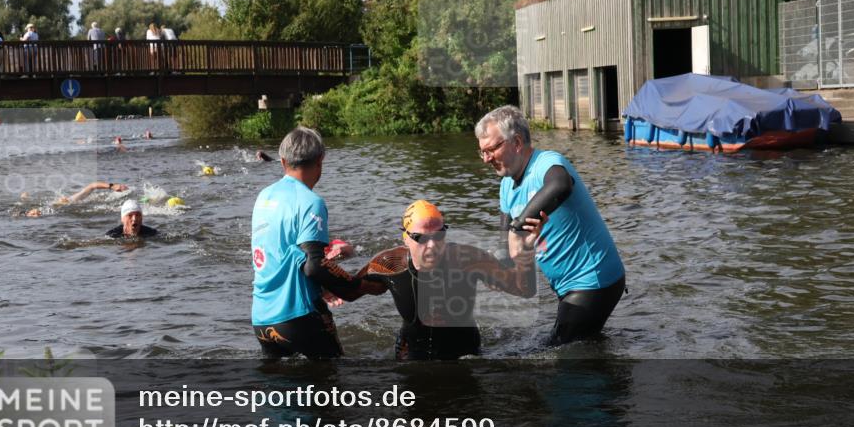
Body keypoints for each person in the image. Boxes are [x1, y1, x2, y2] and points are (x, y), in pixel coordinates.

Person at [475, 105, 627, 346]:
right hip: (567, 285)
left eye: (491, 149)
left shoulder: (547, 163)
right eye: (482, 152)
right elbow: (506, 248)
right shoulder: (506, 184)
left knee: (559, 352)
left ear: (516, 142)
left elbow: (561, 185)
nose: (486, 159)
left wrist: (518, 227)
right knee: (578, 344)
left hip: (594, 279)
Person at [349, 200, 541, 360]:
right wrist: (324, 273)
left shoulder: (468, 259)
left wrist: (525, 253)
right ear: (405, 238)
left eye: (439, 235)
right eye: (421, 238)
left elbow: (523, 289)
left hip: (464, 355)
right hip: (411, 353)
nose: (432, 245)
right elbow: (349, 291)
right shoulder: (389, 263)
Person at [251, 126, 380, 359]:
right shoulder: (311, 202)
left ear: (282, 161)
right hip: (298, 315)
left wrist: (324, 287)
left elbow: (284, 256)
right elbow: (314, 265)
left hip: (261, 319)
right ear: (320, 160)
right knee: (332, 388)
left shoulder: (264, 196)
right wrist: (358, 286)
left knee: (275, 392)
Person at [24, 181, 129, 217]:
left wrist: (112, 186)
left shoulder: (68, 201)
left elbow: (92, 185)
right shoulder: (49, 214)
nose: (36, 214)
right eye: (33, 215)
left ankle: (26, 198)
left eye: (34, 212)